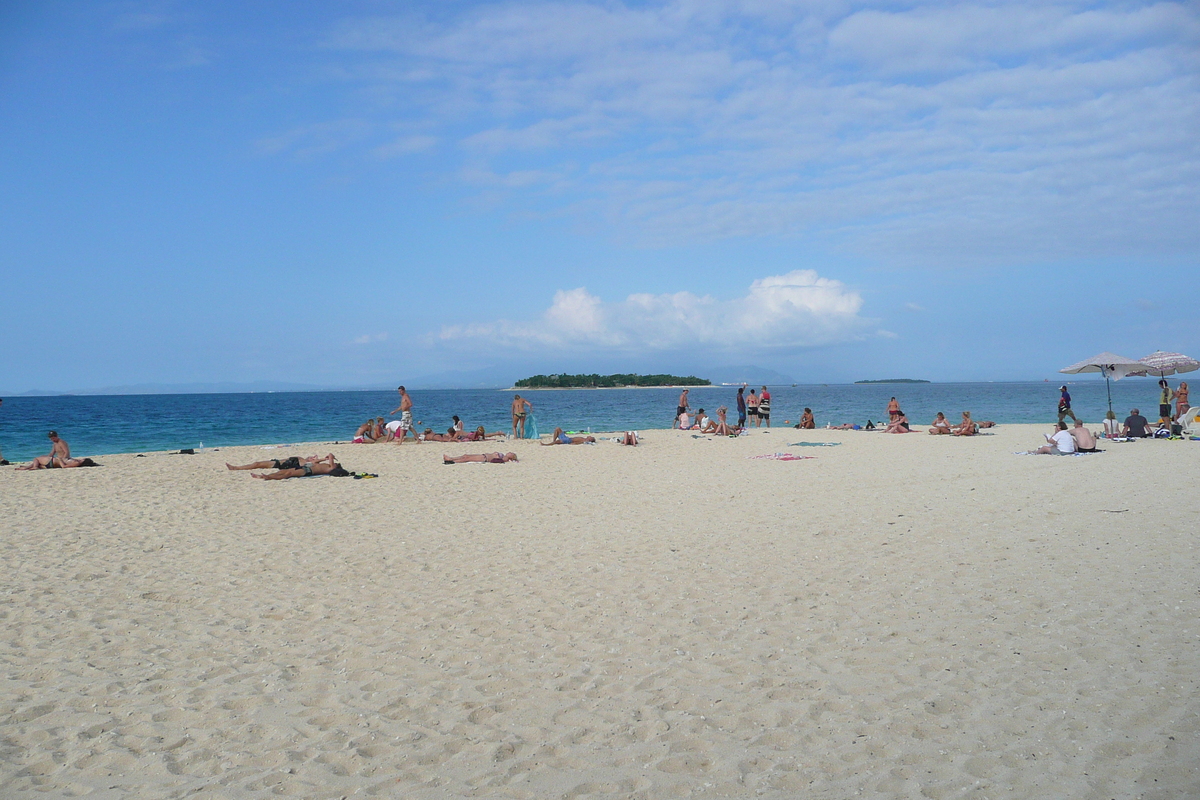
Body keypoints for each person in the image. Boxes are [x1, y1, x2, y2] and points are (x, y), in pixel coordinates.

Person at [16, 431, 99, 469]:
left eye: (53, 437)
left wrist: (63, 459)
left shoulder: (61, 442)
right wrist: (48, 457)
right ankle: (28, 467)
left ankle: (30, 467)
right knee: (42, 458)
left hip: (63, 459)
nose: (52, 439)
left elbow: (66, 452)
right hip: (58, 460)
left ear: (57, 436)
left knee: (38, 459)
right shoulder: (55, 444)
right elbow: (52, 453)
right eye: (51, 438)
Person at [250, 453, 350, 479]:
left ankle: (269, 477)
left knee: (288, 473)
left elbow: (331, 457)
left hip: (307, 471)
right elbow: (315, 461)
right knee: (282, 472)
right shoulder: (325, 466)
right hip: (304, 467)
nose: (334, 463)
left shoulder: (330, 468)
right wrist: (324, 458)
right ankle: (266, 476)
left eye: (336, 464)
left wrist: (331, 456)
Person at [227, 454, 324, 471]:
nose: (312, 457)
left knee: (257, 464)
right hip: (277, 462)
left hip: (279, 464)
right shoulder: (301, 458)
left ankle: (236, 468)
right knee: (257, 464)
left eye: (313, 457)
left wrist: (323, 459)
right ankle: (236, 467)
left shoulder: (305, 462)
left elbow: (315, 462)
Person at [443, 452, 518, 464]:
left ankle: (452, 461)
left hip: (485, 459)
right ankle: (451, 458)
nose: (510, 452)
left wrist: (496, 456)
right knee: (466, 456)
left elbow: (498, 460)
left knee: (467, 459)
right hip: (483, 455)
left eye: (511, 453)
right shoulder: (504, 455)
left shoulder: (506, 459)